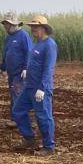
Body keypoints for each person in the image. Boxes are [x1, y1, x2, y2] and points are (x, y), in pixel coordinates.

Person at [14, 15, 58, 156]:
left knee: (43, 116)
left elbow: (48, 68)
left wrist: (43, 88)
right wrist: (27, 70)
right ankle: (29, 139)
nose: (33, 29)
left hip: (40, 88)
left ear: (44, 28)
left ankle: (48, 147)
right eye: (32, 27)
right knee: (17, 110)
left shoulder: (49, 44)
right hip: (29, 87)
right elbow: (33, 62)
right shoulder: (36, 44)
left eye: (36, 27)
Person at [0, 12, 32, 129]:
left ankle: (18, 120)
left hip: (20, 73)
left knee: (17, 95)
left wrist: (26, 68)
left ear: (13, 24)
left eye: (7, 24)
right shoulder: (8, 37)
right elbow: (6, 53)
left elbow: (29, 52)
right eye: (4, 24)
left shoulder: (23, 35)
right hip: (11, 73)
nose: (5, 27)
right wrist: (2, 67)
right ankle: (15, 118)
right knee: (13, 95)